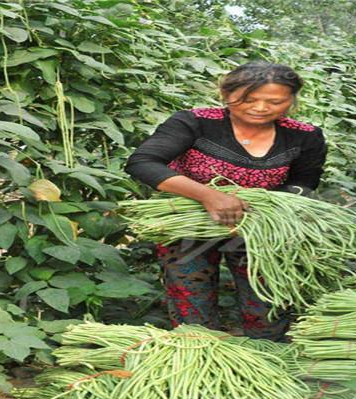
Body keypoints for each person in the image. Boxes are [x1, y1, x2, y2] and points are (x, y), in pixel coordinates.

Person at [125, 61, 327, 341]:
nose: (260, 107)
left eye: (275, 101)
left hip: (261, 231)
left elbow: (304, 183)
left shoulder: (304, 136)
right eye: (248, 99)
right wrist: (209, 195)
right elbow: (143, 162)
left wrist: (263, 207)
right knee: (192, 305)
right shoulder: (195, 122)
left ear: (291, 100)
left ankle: (266, 359)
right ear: (225, 94)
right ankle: (200, 357)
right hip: (191, 225)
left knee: (267, 304)